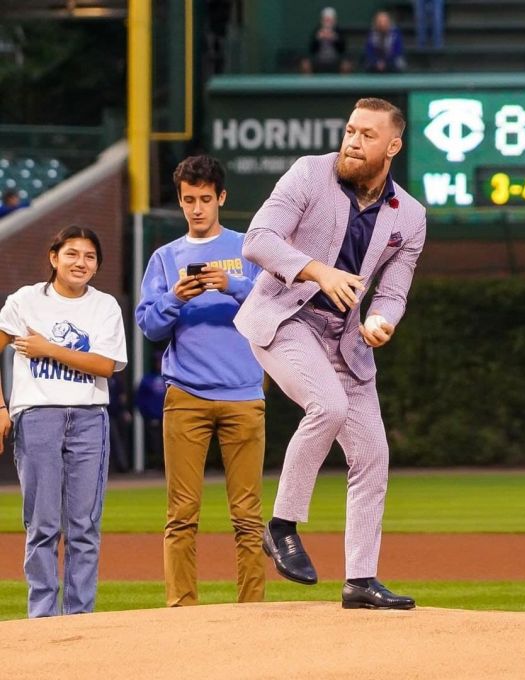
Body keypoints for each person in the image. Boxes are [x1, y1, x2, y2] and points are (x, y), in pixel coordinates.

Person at [234, 97, 426, 609]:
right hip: (283, 319)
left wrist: (383, 321)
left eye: (366, 134)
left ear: (393, 146)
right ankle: (281, 525)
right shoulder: (308, 175)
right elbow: (258, 239)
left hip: (346, 339)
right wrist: (318, 270)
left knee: (372, 456)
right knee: (329, 407)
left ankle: (361, 580)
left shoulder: (410, 215)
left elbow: (393, 290)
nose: (353, 141)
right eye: (349, 130)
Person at [135, 154, 266, 606]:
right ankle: (181, 611)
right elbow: (150, 329)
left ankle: (252, 612)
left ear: (221, 198)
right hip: (185, 395)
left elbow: (276, 308)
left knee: (248, 518)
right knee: (181, 515)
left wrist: (230, 285)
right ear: (180, 199)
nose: (196, 208)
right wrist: (174, 298)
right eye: (188, 200)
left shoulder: (250, 249)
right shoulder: (165, 258)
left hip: (244, 393)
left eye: (205, 199)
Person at [0, 225, 127, 618]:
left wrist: (47, 349)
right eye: (72, 253)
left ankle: (79, 619)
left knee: (84, 527)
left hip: (89, 417)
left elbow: (105, 365)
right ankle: (42, 618)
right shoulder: (25, 300)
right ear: (54, 258)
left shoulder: (104, 305)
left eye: (89, 256)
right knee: (43, 525)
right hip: (37, 415)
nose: (81, 262)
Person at [134, 350, 166, 469]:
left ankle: (164, 465)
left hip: (167, 416)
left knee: (166, 443)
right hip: (152, 417)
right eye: (157, 361)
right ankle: (156, 465)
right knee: (154, 443)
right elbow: (139, 399)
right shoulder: (147, 379)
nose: (159, 364)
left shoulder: (168, 377)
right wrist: (146, 414)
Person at [300, 6, 352, 74]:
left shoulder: (339, 31)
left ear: (334, 21)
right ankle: (309, 84)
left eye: (330, 20)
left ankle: (343, 84)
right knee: (305, 64)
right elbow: (311, 50)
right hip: (319, 61)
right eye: (326, 20)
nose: (328, 22)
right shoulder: (317, 31)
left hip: (335, 61)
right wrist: (317, 39)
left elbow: (343, 49)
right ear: (322, 21)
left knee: (346, 65)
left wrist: (335, 39)